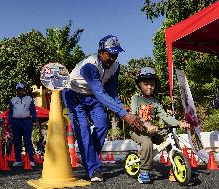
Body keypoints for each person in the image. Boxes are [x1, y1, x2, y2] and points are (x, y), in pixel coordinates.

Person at [62, 35, 145, 182]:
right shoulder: (90, 66)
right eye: (110, 54)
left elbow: (111, 92)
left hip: (91, 96)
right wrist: (123, 114)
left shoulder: (115, 67)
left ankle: (88, 157)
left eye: (116, 54)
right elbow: (100, 92)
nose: (113, 58)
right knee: (83, 130)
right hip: (72, 94)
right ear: (101, 52)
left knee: (103, 124)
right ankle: (94, 169)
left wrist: (121, 108)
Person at [130, 67, 189, 184]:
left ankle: (175, 166)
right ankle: (144, 172)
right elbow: (134, 115)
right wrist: (147, 125)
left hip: (150, 130)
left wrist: (178, 123)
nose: (149, 87)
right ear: (139, 85)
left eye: (152, 84)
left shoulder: (155, 102)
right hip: (137, 130)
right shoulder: (135, 98)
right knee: (147, 143)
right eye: (146, 84)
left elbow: (165, 116)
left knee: (170, 137)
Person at [8, 82, 39, 167]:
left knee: (28, 141)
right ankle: (18, 160)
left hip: (27, 122)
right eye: (18, 90)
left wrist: (35, 120)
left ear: (24, 90)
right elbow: (10, 112)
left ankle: (31, 160)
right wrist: (9, 123)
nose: (20, 91)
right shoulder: (13, 99)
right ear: (16, 90)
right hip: (15, 122)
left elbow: (33, 110)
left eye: (21, 89)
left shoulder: (29, 98)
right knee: (17, 141)